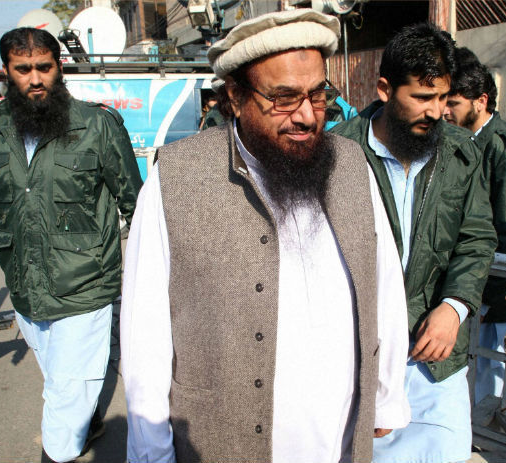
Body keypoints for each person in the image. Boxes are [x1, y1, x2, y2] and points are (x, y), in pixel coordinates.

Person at [121, 9, 410, 463]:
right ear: (235, 97)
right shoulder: (177, 178)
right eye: (284, 98)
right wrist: (151, 454)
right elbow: (145, 334)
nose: (307, 116)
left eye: (317, 95)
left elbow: (384, 284)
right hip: (223, 442)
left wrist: (388, 394)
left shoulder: (351, 164)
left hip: (339, 440)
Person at [0, 28, 142, 463]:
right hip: (25, 285)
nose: (35, 79)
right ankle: (87, 421)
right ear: (6, 71)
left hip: (86, 287)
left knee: (65, 395)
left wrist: (162, 274)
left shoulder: (97, 126)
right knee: (60, 380)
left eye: (44, 68)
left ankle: (58, 453)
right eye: (23, 69)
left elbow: (136, 203)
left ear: (59, 67)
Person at [330, 23, 497, 463]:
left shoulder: (460, 153)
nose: (436, 111)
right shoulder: (337, 153)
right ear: (385, 90)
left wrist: (454, 307)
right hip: (357, 360)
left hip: (435, 360)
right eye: (422, 98)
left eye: (443, 98)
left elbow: (476, 239)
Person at [444, 47, 506, 404]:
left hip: (491, 295)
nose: (445, 111)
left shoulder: (504, 149)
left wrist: (492, 301)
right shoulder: (469, 142)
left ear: (481, 101)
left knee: (488, 379)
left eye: (453, 103)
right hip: (471, 289)